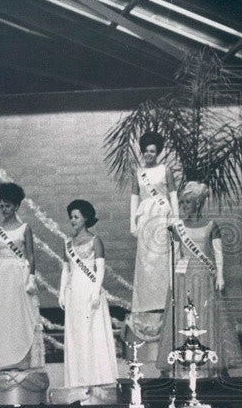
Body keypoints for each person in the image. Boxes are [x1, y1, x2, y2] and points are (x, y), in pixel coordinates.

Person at [156, 182, 242, 376]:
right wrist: (172, 280)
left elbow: (218, 253)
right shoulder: (177, 227)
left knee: (206, 316)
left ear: (197, 203)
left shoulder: (211, 226)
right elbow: (174, 255)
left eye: (188, 202)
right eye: (182, 202)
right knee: (184, 316)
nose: (184, 205)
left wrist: (220, 276)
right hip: (183, 277)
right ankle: (181, 363)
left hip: (204, 276)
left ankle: (208, 364)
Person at [0, 183, 44, 373]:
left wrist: (31, 278)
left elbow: (31, 255)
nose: (4, 209)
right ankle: (2, 359)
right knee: (2, 317)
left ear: (16, 206)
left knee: (18, 317)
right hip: (1, 276)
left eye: (7, 206)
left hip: (18, 276)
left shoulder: (25, 228)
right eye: (1, 205)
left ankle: (20, 359)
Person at [59, 200, 118, 392]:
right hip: (74, 292)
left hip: (90, 291)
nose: (72, 220)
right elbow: (65, 270)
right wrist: (61, 293)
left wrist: (95, 292)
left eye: (76, 217)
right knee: (76, 335)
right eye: (71, 217)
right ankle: (77, 380)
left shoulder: (95, 241)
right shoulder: (68, 243)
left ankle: (97, 380)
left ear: (85, 218)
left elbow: (100, 270)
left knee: (92, 333)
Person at [130, 130, 179, 313]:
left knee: (162, 257)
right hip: (145, 217)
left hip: (162, 216)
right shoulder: (138, 173)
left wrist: (175, 219)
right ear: (142, 152)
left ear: (157, 152)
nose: (149, 154)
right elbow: (134, 197)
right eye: (146, 151)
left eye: (152, 151)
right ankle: (146, 304)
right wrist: (133, 224)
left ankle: (164, 302)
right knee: (146, 261)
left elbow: (173, 195)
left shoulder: (165, 170)